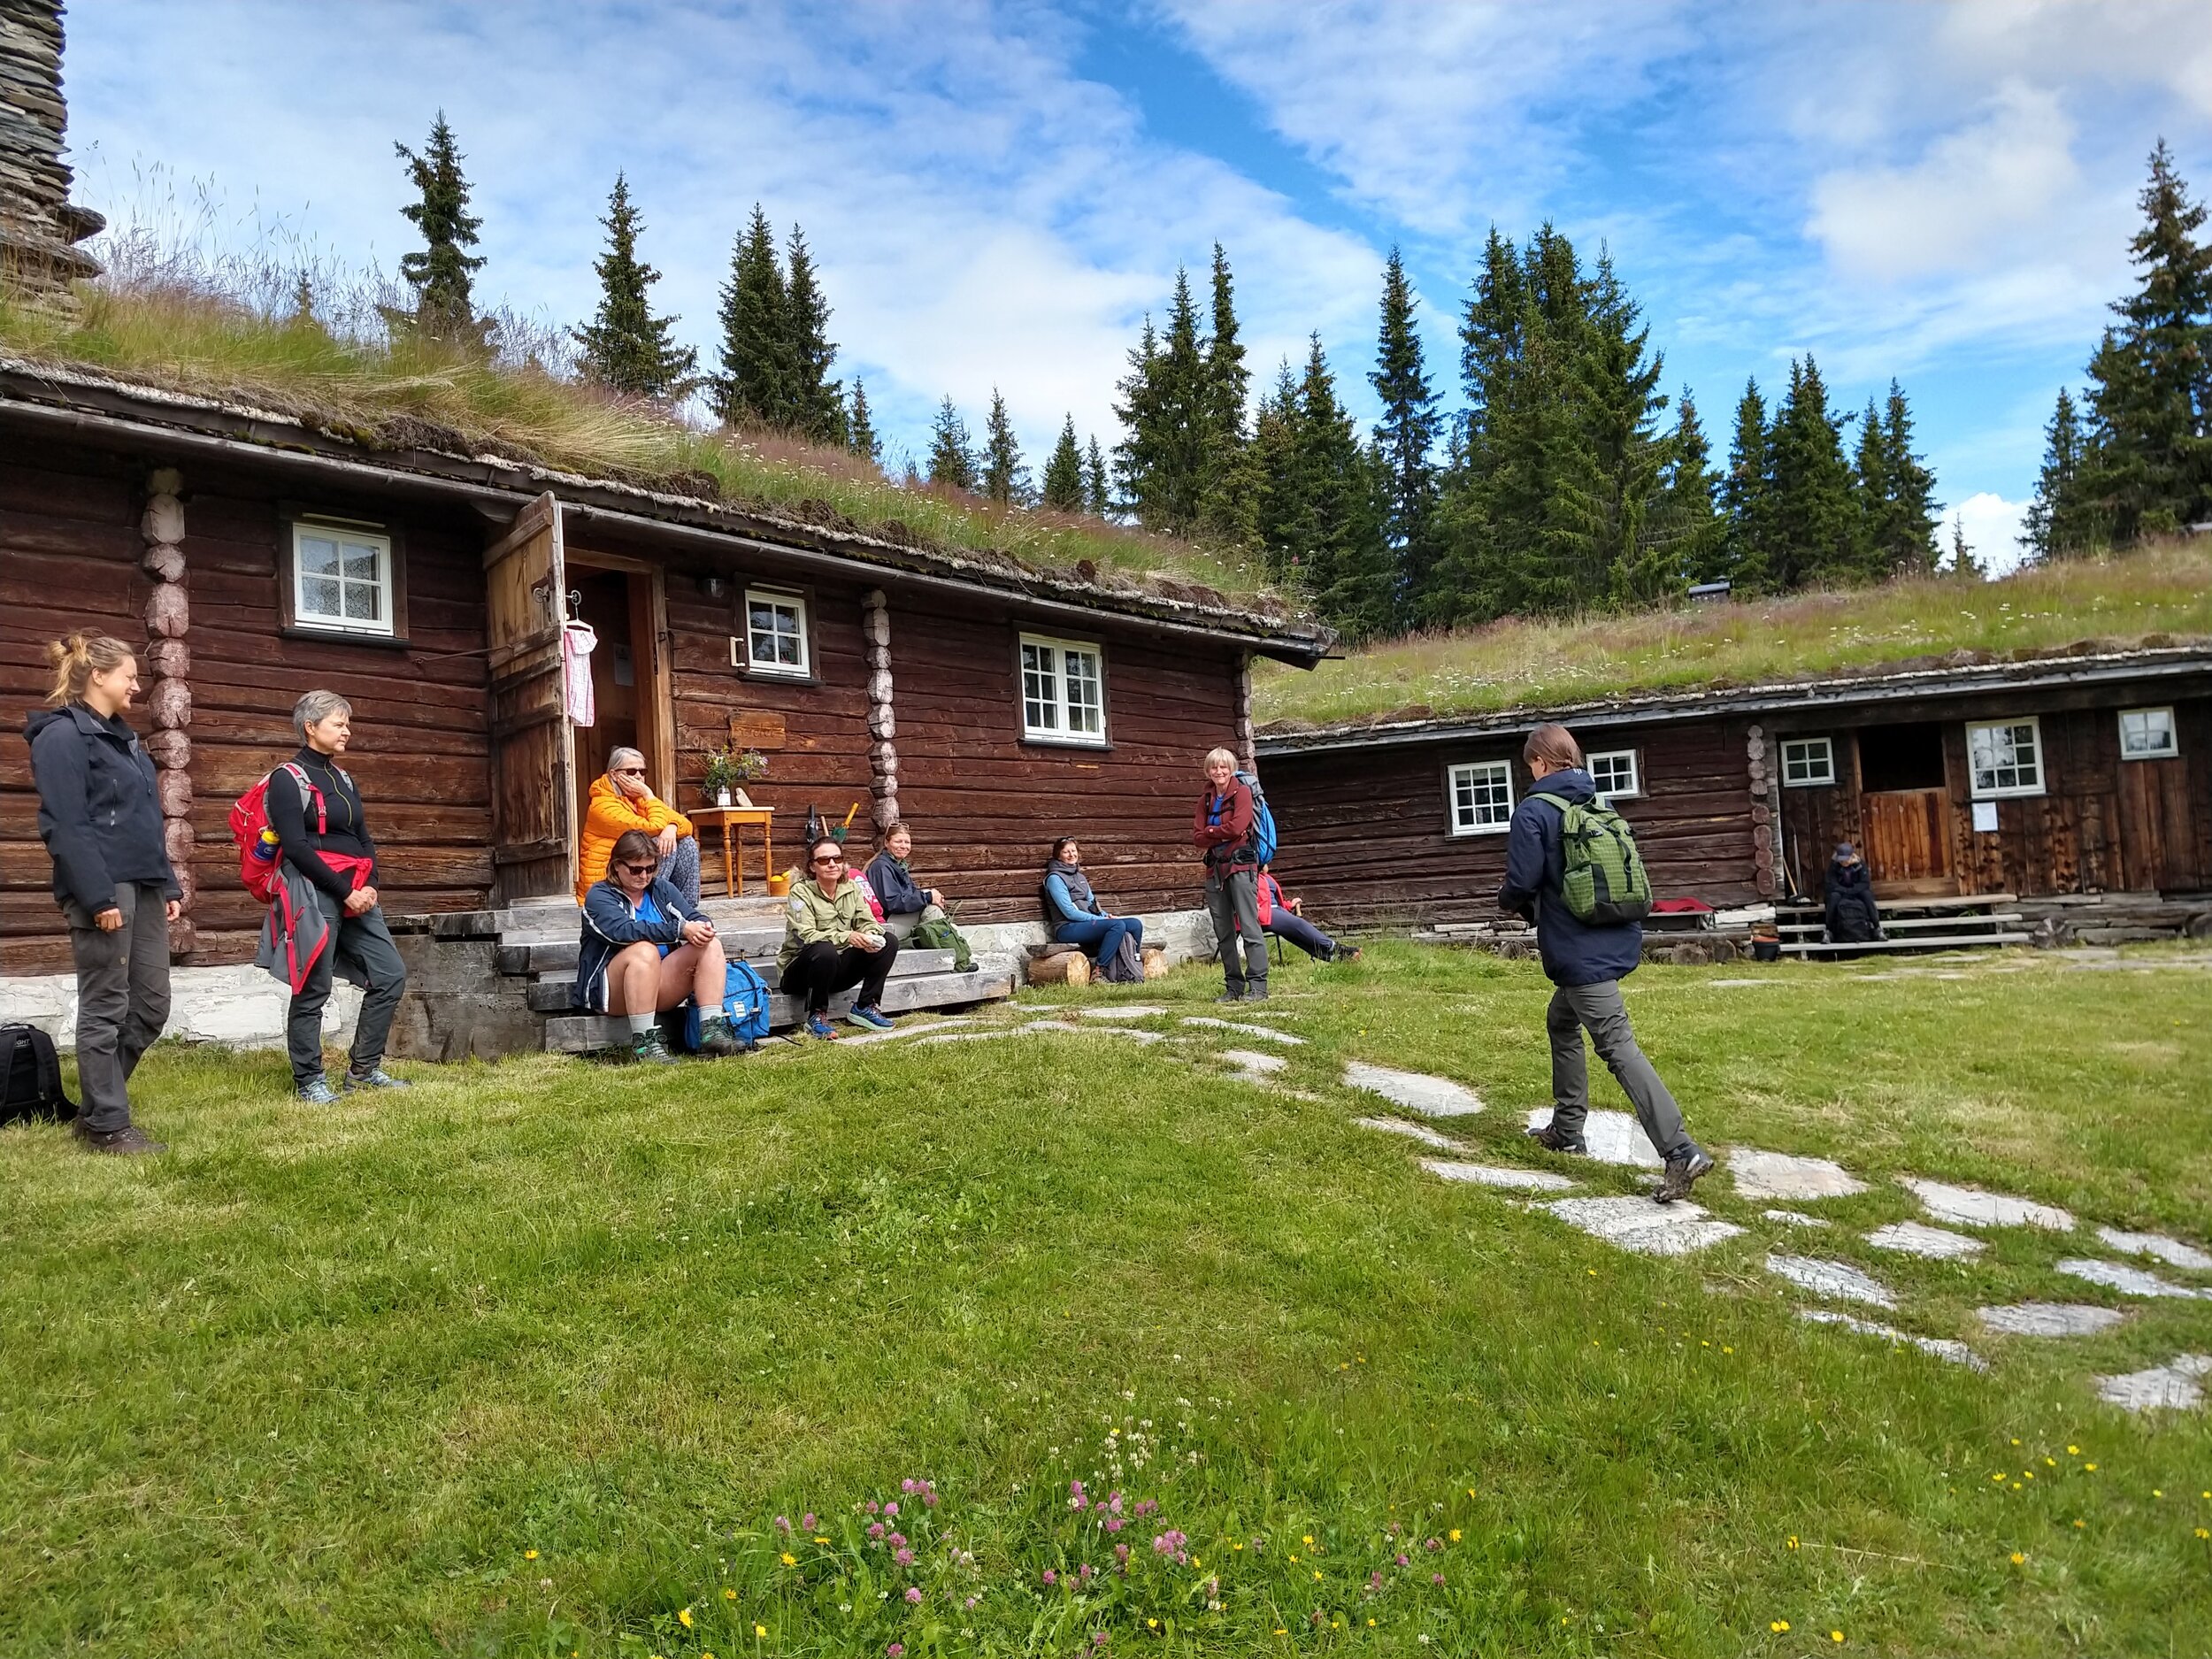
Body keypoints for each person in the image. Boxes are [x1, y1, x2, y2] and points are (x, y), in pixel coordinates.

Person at [1502, 722, 1714, 1203]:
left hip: (1578, 949)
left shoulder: (1535, 809)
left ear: (1539, 762)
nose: (1528, 773)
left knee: (1617, 1046)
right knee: (1561, 1020)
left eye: (1528, 765)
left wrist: (1507, 900)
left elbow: (1522, 878)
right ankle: (1569, 1131)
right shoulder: (1598, 801)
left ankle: (1680, 1150)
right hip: (1613, 934)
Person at [25, 633, 180, 1155]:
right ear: (98, 676)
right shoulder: (62, 737)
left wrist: (169, 882)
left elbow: (143, 820)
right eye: (130, 677)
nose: (137, 685)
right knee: (106, 1005)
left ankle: (94, 1108)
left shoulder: (124, 739)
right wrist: (97, 897)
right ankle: (109, 1124)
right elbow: (66, 825)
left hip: (145, 883)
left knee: (151, 1005)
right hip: (103, 887)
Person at [266, 690, 412, 1103]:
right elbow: (295, 847)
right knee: (313, 987)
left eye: (347, 723)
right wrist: (344, 891)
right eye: (338, 723)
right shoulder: (287, 778)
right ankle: (310, 1081)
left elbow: (363, 838)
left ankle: (364, 1071)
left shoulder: (345, 779)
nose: (347, 731)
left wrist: (370, 886)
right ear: (311, 727)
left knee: (390, 975)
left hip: (359, 892)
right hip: (316, 893)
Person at [573, 827, 746, 1063]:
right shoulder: (600, 895)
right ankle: (644, 1044)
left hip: (659, 985)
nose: (644, 876)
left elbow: (691, 915)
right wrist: (679, 929)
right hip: (612, 993)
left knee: (710, 944)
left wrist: (703, 927)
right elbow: (621, 932)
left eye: (651, 868)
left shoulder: (661, 889)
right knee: (644, 949)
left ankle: (712, 1032)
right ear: (616, 865)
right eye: (635, 869)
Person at [780, 836, 901, 1038]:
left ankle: (864, 1006)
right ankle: (816, 1015)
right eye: (824, 860)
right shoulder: (800, 892)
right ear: (812, 867)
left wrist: (870, 936)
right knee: (824, 948)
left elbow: (868, 921)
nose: (832, 864)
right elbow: (808, 934)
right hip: (800, 973)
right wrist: (848, 936)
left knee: (888, 941)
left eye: (837, 859)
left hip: (836, 970)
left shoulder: (851, 887)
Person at [577, 747, 700, 906]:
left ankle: (687, 909)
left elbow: (687, 825)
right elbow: (654, 826)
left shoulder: (637, 800)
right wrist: (649, 795)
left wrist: (672, 827)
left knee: (687, 843)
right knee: (657, 843)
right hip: (607, 884)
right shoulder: (602, 805)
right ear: (614, 775)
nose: (638, 776)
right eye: (631, 771)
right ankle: (652, 904)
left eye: (642, 772)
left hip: (633, 875)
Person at [1194, 747, 1267, 1002]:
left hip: (1240, 867)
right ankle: (1233, 987)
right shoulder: (1205, 798)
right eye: (1214, 767)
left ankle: (1258, 987)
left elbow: (1238, 827)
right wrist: (1218, 833)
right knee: (1224, 932)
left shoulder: (1242, 793)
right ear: (1208, 770)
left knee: (1249, 926)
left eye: (1223, 766)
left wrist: (1212, 832)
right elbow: (1196, 837)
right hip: (1215, 869)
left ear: (1231, 768)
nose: (1219, 771)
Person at [865, 821, 978, 971]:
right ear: (887, 843)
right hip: (887, 926)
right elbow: (892, 902)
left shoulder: (898, 865)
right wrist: (928, 898)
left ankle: (952, 959)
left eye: (907, 842)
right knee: (932, 911)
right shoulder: (881, 867)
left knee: (933, 909)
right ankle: (959, 963)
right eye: (898, 841)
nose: (903, 846)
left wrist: (929, 894)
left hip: (899, 921)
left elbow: (910, 895)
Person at [1041, 835, 1144, 971]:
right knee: (1116, 926)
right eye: (1066, 852)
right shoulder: (1055, 879)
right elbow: (1070, 913)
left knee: (1134, 924)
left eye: (1074, 851)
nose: (1071, 855)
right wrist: (1101, 920)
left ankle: (1133, 965)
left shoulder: (1080, 877)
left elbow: (1092, 905)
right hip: (1067, 927)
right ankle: (1100, 971)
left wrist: (1106, 916)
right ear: (1058, 856)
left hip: (1089, 923)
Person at [1257, 864, 1362, 964]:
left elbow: (1272, 899)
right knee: (1298, 924)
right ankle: (1339, 948)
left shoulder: (1266, 877)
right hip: (1261, 913)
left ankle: (1338, 959)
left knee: (1294, 936)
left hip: (1276, 910)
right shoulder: (1248, 877)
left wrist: (1289, 905)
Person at [1823, 841, 1883, 954]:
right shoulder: (1834, 865)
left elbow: (1864, 883)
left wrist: (1852, 890)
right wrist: (1845, 891)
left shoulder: (1860, 865)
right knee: (1833, 897)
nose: (1843, 862)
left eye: (1846, 859)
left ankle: (1877, 928)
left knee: (1867, 896)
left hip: (1856, 891)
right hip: (1840, 891)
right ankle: (1828, 930)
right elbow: (1831, 884)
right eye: (1841, 859)